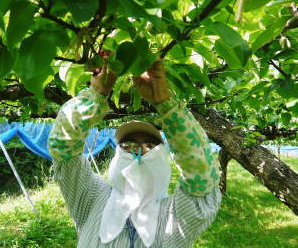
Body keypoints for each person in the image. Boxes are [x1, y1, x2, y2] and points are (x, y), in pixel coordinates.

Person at [47, 60, 222, 248]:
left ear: (164, 155)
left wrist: (165, 103)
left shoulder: (176, 213)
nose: (139, 151)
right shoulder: (91, 196)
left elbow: (202, 173)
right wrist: (95, 94)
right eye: (128, 144)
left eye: (150, 145)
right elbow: (62, 145)